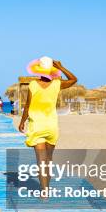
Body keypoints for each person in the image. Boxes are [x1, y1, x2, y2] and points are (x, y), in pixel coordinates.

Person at [18, 56, 77, 195]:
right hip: (51, 126)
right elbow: (74, 79)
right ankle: (47, 189)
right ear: (52, 70)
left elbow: (27, 106)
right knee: (48, 160)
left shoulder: (33, 84)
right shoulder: (57, 84)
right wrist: (61, 67)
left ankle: (44, 192)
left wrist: (22, 121)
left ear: (39, 70)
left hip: (37, 126)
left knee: (41, 161)